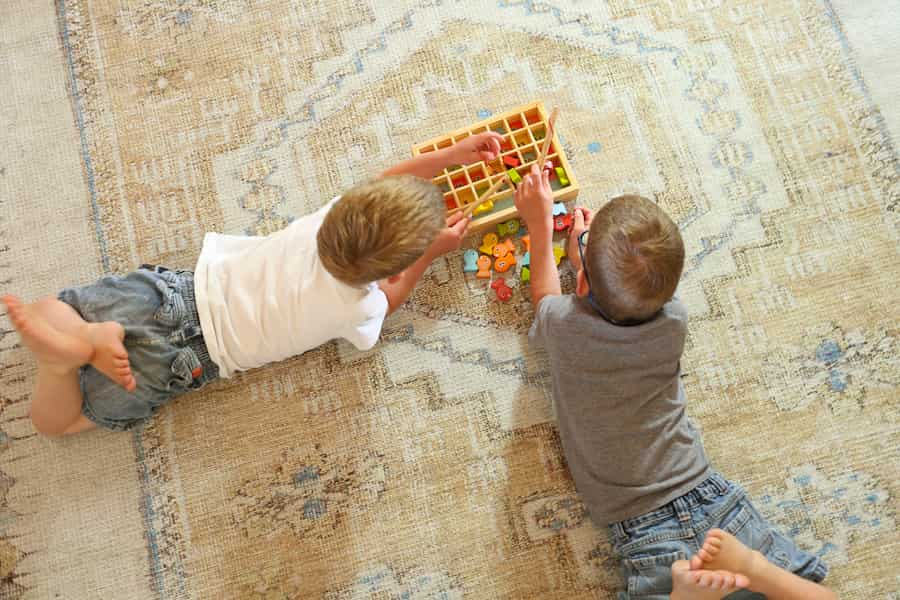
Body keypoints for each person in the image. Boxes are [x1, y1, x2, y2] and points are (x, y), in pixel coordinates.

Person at [2, 131, 504, 436]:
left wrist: (450, 155)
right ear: (390, 270)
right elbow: (391, 300)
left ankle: (81, 338)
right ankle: (57, 367)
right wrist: (431, 254)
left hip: (174, 294)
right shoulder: (360, 309)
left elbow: (380, 184)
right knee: (57, 423)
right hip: (193, 360)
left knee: (52, 307)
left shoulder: (325, 219)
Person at [513, 163, 835, 599]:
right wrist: (588, 265)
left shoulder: (562, 325)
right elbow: (619, 300)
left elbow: (544, 298)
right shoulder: (674, 319)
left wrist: (539, 224)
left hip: (648, 529)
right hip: (717, 503)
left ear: (583, 281)